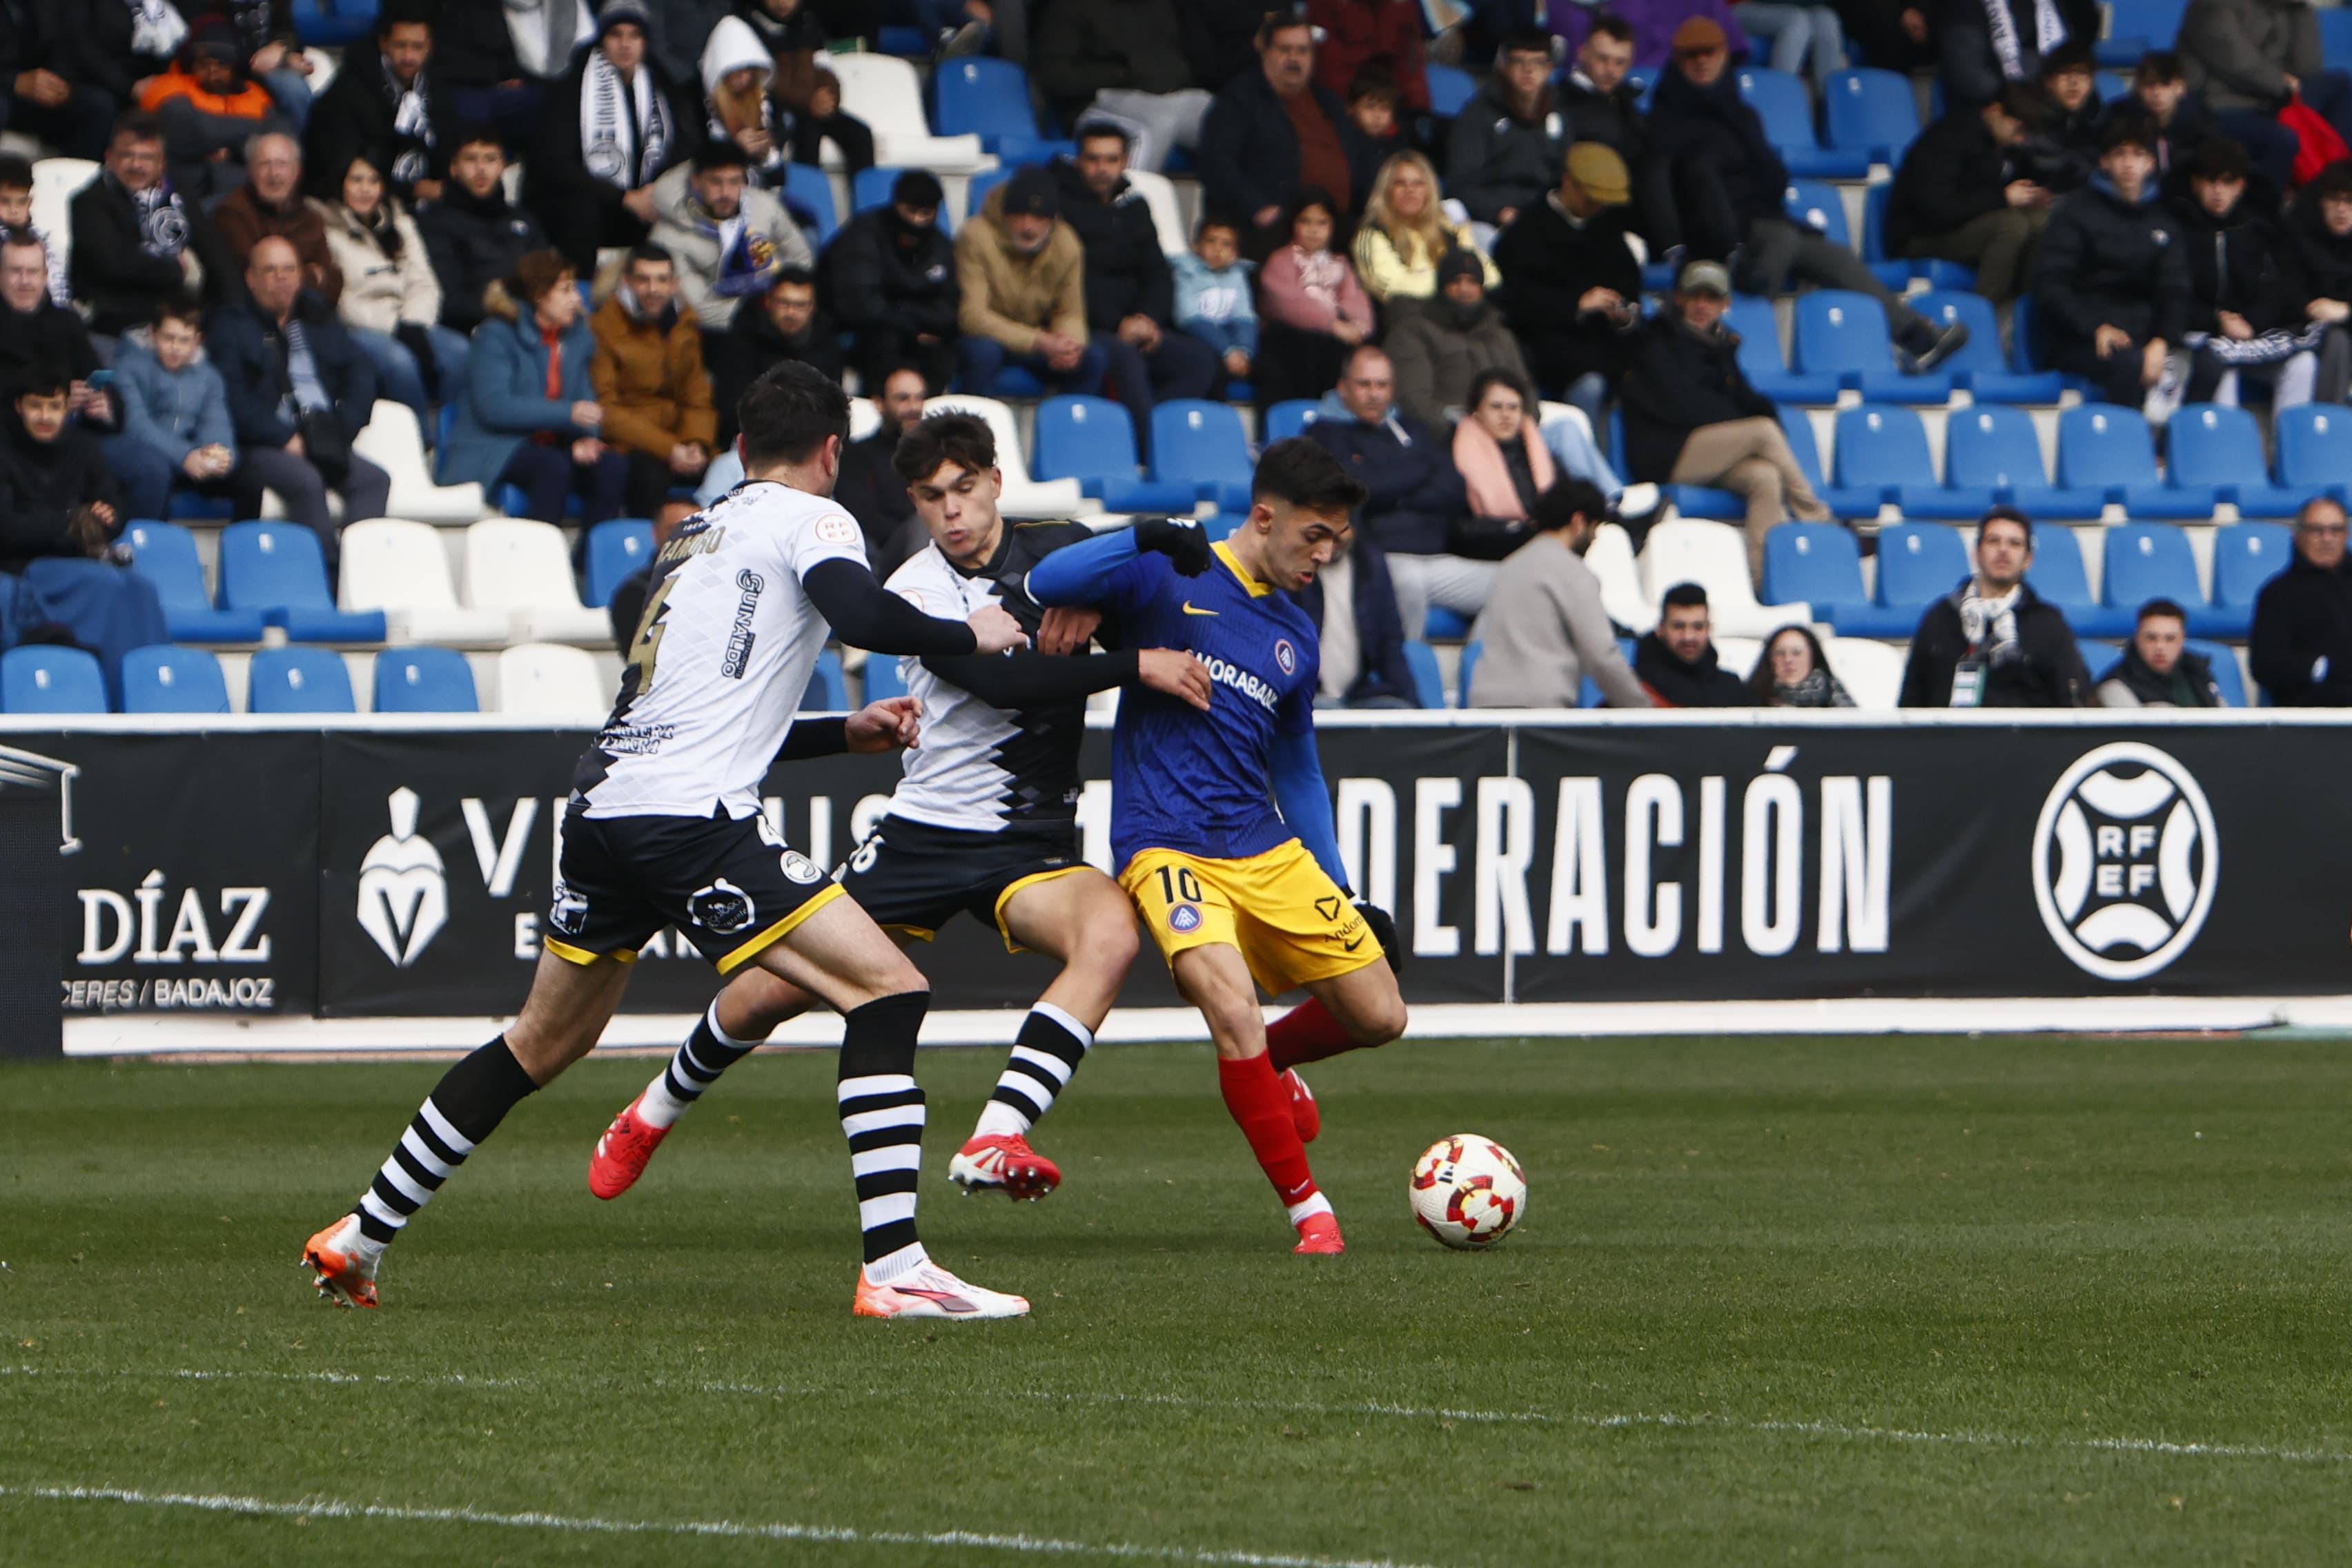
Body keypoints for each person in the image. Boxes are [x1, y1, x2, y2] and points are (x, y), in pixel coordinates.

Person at [301, 360, 1039, 1320]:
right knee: (889, 988)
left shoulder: (697, 532)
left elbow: (696, 708)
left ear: (737, 449)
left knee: (542, 1040)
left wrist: (839, 733)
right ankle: (897, 1270)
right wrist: (969, 632)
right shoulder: (816, 518)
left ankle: (358, 1235)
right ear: (829, 451)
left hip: (606, 809)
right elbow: (859, 618)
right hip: (690, 820)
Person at [588, 410, 1218, 1208]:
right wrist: (1135, 663)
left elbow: (1157, 588)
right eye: (930, 496)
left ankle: (999, 1135)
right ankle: (651, 1110)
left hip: (1030, 839)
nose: (951, 510)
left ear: (995, 481)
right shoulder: (913, 586)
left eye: (963, 489)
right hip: (923, 835)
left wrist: (1105, 611)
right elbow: (1005, 681)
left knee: (1111, 933)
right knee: (772, 990)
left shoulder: (1062, 544)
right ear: (915, 505)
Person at [1026, 438, 1409, 1255]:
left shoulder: (1294, 628)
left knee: (1382, 1014)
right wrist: (1145, 533)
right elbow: (1048, 584)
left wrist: (1341, 889)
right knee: (1232, 1007)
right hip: (1165, 845)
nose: (1326, 554)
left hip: (1263, 847)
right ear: (1264, 517)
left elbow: (1298, 772)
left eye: (1337, 539)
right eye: (1314, 535)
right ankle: (1312, 1213)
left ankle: (1262, 1069)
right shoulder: (1173, 569)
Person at [1649, 19, 1967, 371]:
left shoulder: (1742, 114)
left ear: (1725, 55)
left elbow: (1769, 174)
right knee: (1781, 240)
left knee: (1837, 257)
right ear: (1678, 61)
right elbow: (1659, 186)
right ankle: (1742, 350)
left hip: (1764, 221)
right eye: (1692, 55)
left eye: (1710, 53)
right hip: (1714, 236)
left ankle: (1916, 337)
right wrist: (1675, 248)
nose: (1702, 62)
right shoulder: (1667, 120)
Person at [1618, 260, 1835, 579]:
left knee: (1765, 477)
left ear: (1725, 304)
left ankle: (1765, 581)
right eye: (1695, 296)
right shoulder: (1655, 341)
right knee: (1761, 432)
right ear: (1679, 299)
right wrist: (1752, 426)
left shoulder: (1721, 346)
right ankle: (1819, 520)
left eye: (1712, 298)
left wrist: (1762, 417)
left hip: (1709, 453)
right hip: (1666, 454)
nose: (1702, 306)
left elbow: (1748, 400)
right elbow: (1684, 405)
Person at [206, 236, 391, 572]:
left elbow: (361, 372)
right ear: (251, 278)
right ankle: (328, 577)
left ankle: (359, 575)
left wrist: (341, 429)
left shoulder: (317, 316)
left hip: (320, 436)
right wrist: (283, 438)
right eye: (271, 270)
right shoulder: (230, 325)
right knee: (306, 481)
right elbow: (232, 398)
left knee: (374, 479)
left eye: (290, 269)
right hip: (259, 445)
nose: (282, 277)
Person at [1051, 127, 1221, 447]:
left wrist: (1148, 319)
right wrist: (1118, 326)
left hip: (1138, 326)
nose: (1103, 168)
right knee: (1125, 359)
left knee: (1199, 361)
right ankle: (1145, 451)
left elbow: (1157, 272)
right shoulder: (1060, 208)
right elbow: (1071, 279)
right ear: (1079, 161)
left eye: (1112, 159)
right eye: (1094, 159)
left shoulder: (1135, 207)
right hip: (1086, 325)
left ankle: (1147, 437)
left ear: (1125, 161)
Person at [1304, 345, 1480, 638]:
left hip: (1438, 558)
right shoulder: (1323, 433)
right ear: (1343, 387)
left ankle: (1473, 672)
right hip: (1384, 559)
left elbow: (1454, 486)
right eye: (1364, 384)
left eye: (1382, 385)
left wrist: (1390, 491)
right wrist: (1417, 470)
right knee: (1408, 581)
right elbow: (1356, 489)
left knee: (1510, 582)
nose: (1374, 394)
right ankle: (1406, 672)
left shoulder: (1412, 428)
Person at [442, 249, 627, 525]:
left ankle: (586, 560)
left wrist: (585, 437)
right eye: (566, 290)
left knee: (612, 466)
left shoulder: (577, 337)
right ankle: (538, 558)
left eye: (575, 289)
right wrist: (568, 414)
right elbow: (495, 407)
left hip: (553, 445)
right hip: (495, 446)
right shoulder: (496, 335)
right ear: (540, 294)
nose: (577, 299)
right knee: (552, 467)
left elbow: (583, 394)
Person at [528, 0, 701, 273]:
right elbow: (554, 165)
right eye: (616, 35)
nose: (625, 44)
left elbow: (683, 147)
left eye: (634, 35)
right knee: (579, 209)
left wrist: (655, 190)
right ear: (602, 39)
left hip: (646, 202)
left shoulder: (660, 84)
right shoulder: (571, 87)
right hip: (589, 205)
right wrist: (623, 197)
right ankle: (581, 293)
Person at [0, 234, 164, 520]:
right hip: (9, 442)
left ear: (46, 275)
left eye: (33, 272)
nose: (25, 281)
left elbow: (99, 378)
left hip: (73, 439)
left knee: (150, 468)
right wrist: (55, 400)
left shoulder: (66, 323)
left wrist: (103, 404)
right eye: (16, 271)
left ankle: (129, 548)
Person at [2031, 119, 2191, 411]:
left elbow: (2175, 288)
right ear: (2105, 162)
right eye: (2120, 154)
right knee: (2128, 364)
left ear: (2151, 164)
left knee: (2207, 364)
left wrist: (2161, 339)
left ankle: (2176, 449)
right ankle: (2123, 449)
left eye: (2138, 155)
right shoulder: (2075, 213)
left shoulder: (2164, 220)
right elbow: (2051, 283)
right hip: (2082, 338)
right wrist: (2094, 327)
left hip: (2145, 335)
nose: (2129, 164)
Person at [1198, 12, 1380, 259]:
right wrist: (1257, 208)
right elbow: (1216, 164)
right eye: (1285, 49)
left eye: (1303, 51)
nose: (1294, 59)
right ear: (1266, 52)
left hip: (1337, 228)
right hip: (1273, 230)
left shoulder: (1328, 102)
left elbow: (1361, 159)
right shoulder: (1238, 100)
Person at [1465, 477, 1650, 709]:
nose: (1595, 538)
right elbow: (1602, 657)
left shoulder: (1508, 567)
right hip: (1540, 712)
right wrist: (1644, 710)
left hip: (1484, 708)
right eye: (1595, 528)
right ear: (1578, 521)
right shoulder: (1574, 573)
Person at [1494, 142, 1642, 422]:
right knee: (1591, 381)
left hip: (1607, 340)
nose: (1597, 207)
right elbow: (1519, 304)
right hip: (1550, 343)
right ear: (1568, 183)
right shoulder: (1525, 233)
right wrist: (1577, 304)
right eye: (1591, 199)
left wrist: (1623, 314)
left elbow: (1628, 284)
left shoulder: (1607, 226)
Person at [2170, 138, 2321, 409]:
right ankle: (2224, 449)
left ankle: (2289, 449)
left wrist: (2251, 322)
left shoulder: (2262, 228)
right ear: (2195, 184)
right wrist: (2216, 320)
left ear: (2240, 186)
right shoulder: (2174, 228)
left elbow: (2285, 288)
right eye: (2210, 181)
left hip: (2252, 336)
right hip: (2197, 340)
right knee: (2220, 366)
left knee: (2303, 364)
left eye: (2227, 182)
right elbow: (2169, 294)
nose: (2218, 191)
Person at [314, 153, 464, 419]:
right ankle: (421, 441)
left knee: (459, 352)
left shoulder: (401, 223)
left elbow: (423, 281)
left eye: (373, 181)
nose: (365, 189)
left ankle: (449, 434)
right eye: (357, 180)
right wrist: (395, 328)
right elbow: (343, 299)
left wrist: (413, 323)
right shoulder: (327, 230)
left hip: (409, 320)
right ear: (342, 184)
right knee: (400, 363)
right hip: (359, 327)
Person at [69, 110, 239, 337]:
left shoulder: (177, 196)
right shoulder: (88, 203)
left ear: (162, 163)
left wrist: (235, 309)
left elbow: (214, 252)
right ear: (109, 157)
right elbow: (114, 263)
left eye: (147, 157)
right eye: (127, 155)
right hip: (116, 319)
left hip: (178, 318)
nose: (136, 165)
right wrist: (175, 270)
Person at [1898, 505, 2090, 706]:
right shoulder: (1940, 617)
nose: (2003, 550)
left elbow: (2073, 701)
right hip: (1950, 736)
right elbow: (1911, 701)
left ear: (2028, 560)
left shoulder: (2049, 624)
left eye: (2014, 544)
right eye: (1993, 541)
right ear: (1977, 553)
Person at [1884, 83, 2052, 305]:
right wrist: (2003, 198)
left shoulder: (2003, 143)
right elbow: (1938, 210)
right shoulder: (1947, 138)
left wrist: (2032, 193)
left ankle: (2026, 312)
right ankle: (1987, 315)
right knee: (2010, 226)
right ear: (1995, 111)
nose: (2020, 139)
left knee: (2042, 221)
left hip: (1968, 224)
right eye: (2018, 130)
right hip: (1920, 235)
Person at [954, 166, 1106, 402]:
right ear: (1005, 214)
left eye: (1038, 218)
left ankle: (1065, 428)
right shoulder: (975, 236)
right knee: (983, 353)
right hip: (990, 337)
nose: (1028, 226)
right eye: (1019, 215)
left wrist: (1069, 345)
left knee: (1092, 358)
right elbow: (972, 317)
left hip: (1038, 342)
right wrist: (1039, 341)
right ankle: (975, 432)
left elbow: (1070, 312)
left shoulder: (1067, 244)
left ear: (1052, 220)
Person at [589, 244, 718, 516]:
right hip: (631, 445)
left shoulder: (685, 324)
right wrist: (670, 449)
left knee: (729, 469)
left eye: (662, 279)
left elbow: (697, 398)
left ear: (674, 284)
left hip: (681, 441)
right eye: (643, 280)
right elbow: (607, 411)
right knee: (649, 474)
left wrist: (696, 442)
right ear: (626, 281)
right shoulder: (604, 327)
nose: (653, 289)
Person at [2178, 0, 2352, 190]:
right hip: (2222, 103)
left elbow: (2308, 68)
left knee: (2339, 84)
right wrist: (2282, 84)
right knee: (2281, 139)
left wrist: (2301, 9)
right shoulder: (2210, 6)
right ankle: (2270, 209)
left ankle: (2342, 183)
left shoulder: (2285, 8)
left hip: (2271, 98)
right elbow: (2237, 63)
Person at [648, 141, 814, 335]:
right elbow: (700, 310)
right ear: (696, 182)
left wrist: (784, 305)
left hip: (779, 314)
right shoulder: (667, 237)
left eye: (734, 181)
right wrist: (765, 314)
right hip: (720, 333)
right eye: (716, 182)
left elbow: (802, 260)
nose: (726, 193)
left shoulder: (765, 206)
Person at [1032, 0, 1213, 174]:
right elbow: (1054, 76)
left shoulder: (1158, 4)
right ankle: (1127, 202)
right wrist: (1118, 74)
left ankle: (1230, 203)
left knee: (1223, 116)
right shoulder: (1069, 6)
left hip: (1169, 97)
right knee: (1160, 121)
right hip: (1098, 102)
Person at [699, 14, 874, 193]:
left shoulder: (766, 106)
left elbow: (778, 178)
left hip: (757, 199)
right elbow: (692, 164)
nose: (744, 79)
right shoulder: (695, 106)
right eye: (735, 71)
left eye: (750, 71)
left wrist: (765, 156)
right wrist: (734, 148)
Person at [302, 0, 453, 208]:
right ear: (384, 43)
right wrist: (412, 190)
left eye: (418, 47)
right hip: (358, 210)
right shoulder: (346, 94)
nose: (409, 57)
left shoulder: (439, 88)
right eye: (401, 45)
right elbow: (339, 172)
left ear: (430, 47)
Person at [418, 129, 550, 340]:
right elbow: (448, 301)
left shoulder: (524, 220)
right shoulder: (435, 223)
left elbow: (548, 275)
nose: (481, 170)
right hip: (472, 331)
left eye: (490, 159)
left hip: (532, 324)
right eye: (470, 160)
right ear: (454, 168)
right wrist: (510, 312)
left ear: (503, 166)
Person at [139, 15, 289, 198]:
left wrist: (233, 151)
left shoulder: (254, 95)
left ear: (234, 66)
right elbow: (194, 129)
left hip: (240, 187)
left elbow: (281, 139)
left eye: (221, 64)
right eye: (204, 64)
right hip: (182, 188)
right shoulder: (168, 86)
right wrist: (248, 132)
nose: (212, 72)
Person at [1253, 188, 1375, 410]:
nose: (1313, 230)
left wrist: (1359, 325)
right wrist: (1332, 325)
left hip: (1331, 340)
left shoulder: (1340, 263)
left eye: (1322, 223)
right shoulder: (1282, 259)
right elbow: (1286, 303)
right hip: (1289, 338)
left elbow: (1354, 298)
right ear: (1293, 224)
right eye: (1305, 222)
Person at [112, 297, 237, 511]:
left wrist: (218, 453)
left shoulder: (209, 377)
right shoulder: (128, 367)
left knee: (245, 479)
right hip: (141, 452)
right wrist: (184, 455)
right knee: (155, 470)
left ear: (198, 340)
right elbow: (136, 425)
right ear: (153, 334)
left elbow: (216, 421)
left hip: (187, 456)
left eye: (184, 340)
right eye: (168, 338)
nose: (175, 348)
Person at [1385, 249, 1528, 435]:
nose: (1464, 288)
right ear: (1442, 287)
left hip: (1508, 429)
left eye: (1472, 282)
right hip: (1449, 434)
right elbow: (1413, 398)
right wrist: (1466, 428)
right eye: (1456, 281)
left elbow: (1525, 387)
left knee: (1566, 424)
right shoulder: (1414, 332)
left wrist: (1521, 423)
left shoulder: (1499, 333)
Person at [0, 368, 126, 574]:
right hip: (16, 569)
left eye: (54, 407)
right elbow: (6, 530)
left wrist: (107, 517)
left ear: (67, 408)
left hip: (78, 564)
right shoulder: (4, 450)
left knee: (138, 589)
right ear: (18, 407)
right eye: (35, 406)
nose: (45, 417)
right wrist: (73, 521)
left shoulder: (84, 446)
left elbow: (113, 510)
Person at [1446, 31, 1569, 231]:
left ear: (1549, 69)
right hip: (1490, 221)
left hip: (1548, 216)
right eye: (1519, 61)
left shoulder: (1561, 112)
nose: (1528, 70)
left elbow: (1568, 177)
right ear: (1504, 66)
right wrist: (1498, 211)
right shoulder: (1477, 114)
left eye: (1538, 62)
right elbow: (1462, 183)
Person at [707, 268, 843, 443]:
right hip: (752, 440)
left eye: (800, 305)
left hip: (809, 443)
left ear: (812, 307)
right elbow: (732, 405)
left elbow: (832, 406)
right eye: (783, 303)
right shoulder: (742, 337)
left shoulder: (828, 343)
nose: (791, 313)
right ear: (768, 301)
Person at [1293, 527, 1417, 707]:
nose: (1331, 538)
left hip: (1358, 695)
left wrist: (1415, 709)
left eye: (1341, 527)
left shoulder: (1371, 564)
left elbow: (1390, 646)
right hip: (1305, 697)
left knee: (1399, 710)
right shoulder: (1290, 568)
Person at [1351, 152, 1497, 305]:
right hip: (1410, 321)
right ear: (1386, 190)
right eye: (1400, 183)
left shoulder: (1450, 229)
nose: (1410, 190)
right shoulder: (1372, 234)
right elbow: (1393, 289)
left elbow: (1491, 276)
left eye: (1418, 183)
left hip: (1462, 313)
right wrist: (1453, 282)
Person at [214, 132, 342, 302]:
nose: (274, 174)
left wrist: (294, 277)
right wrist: (312, 275)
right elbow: (259, 282)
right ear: (251, 171)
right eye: (265, 164)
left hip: (308, 317)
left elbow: (334, 283)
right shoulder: (231, 214)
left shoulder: (310, 217)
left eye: (282, 164)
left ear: (297, 171)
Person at [2250, 496, 2352, 705]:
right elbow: (2265, 666)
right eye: (2317, 530)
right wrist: (2324, 667)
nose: (2327, 538)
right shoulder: (2277, 593)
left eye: (2336, 530)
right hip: (2311, 717)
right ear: (2298, 536)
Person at [834, 366, 929, 578]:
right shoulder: (856, 455)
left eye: (919, 398)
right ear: (880, 404)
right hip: (884, 555)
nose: (914, 407)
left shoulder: (937, 453)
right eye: (903, 399)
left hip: (941, 544)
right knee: (924, 522)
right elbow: (863, 518)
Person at [0, 0, 124, 159]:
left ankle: (79, 180)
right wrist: (15, 81)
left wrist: (58, 82)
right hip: (5, 90)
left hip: (38, 91)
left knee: (98, 105)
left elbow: (65, 44)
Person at [1937, 0, 2097, 112]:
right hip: (2001, 112)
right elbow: (1968, 74)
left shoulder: (2056, 4)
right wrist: (2021, 101)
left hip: (2057, 111)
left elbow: (2078, 48)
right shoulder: (1964, 7)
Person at [1451, 367, 1551, 537]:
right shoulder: (1454, 455)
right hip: (1487, 546)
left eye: (1513, 408)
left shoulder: (1538, 451)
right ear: (1476, 412)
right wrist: (1513, 529)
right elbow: (1457, 523)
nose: (1506, 415)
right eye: (1496, 407)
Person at [2286, 159, 2352, 404]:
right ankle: (2327, 429)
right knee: (2337, 341)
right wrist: (2310, 308)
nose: (2342, 209)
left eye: (2349, 201)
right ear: (2321, 202)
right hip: (2308, 335)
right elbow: (2286, 295)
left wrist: (2347, 311)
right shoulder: (2298, 238)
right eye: (2335, 200)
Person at [1173, 215, 1257, 389]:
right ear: (1196, 246)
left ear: (1236, 252)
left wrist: (1243, 351)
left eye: (1226, 244)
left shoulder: (1238, 274)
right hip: (1195, 334)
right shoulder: (1185, 272)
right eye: (1211, 241)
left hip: (1230, 339)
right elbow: (1188, 317)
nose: (1218, 249)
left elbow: (1244, 316)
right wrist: (1227, 351)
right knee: (1208, 362)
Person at [2104, 51, 2216, 179]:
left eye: (2165, 85)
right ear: (2139, 88)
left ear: (2180, 87)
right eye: (2149, 85)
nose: (2157, 93)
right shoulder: (2120, 116)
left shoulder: (2201, 121)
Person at [1635, 582, 1750, 706]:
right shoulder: (1637, 686)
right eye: (1678, 627)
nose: (1688, 637)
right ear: (1660, 629)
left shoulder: (1732, 688)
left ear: (1709, 628)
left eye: (1698, 627)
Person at [2097, 598, 2224, 706]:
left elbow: (2226, 719)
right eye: (2151, 638)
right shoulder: (2116, 684)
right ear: (2137, 638)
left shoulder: (2199, 671)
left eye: (2170, 639)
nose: (2160, 647)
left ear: (2182, 639)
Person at [1309, 0, 1428, 115]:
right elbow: (1329, 67)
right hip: (1343, 106)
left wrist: (1416, 105)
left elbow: (1410, 60)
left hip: (1391, 105)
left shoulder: (1404, 5)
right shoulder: (1326, 5)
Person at [2021, 39, 2102, 195]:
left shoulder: (2100, 121)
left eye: (2082, 73)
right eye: (2064, 73)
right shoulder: (2030, 121)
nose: (2074, 82)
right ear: (2048, 82)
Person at [0, 155, 68, 307]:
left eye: (21, 202)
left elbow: (58, 288)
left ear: (29, 202)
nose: (14, 210)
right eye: (5, 201)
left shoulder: (41, 241)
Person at [1734, 0, 1845, 90]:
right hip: (1741, 7)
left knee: (1827, 20)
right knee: (1796, 21)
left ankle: (1830, 106)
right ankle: (1780, 96)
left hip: (1795, 7)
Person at [1747, 623, 1855, 706]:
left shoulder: (1833, 693)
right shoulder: (1750, 699)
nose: (1788, 660)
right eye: (1780, 653)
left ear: (1812, 657)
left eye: (1797, 653)